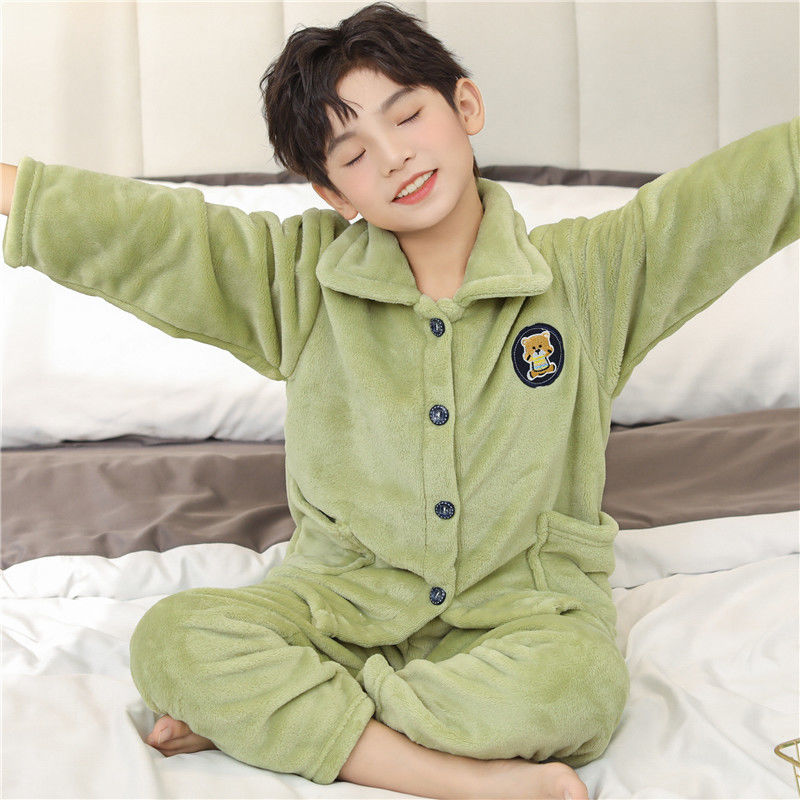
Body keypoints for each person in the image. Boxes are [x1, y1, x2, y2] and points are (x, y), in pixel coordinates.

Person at [2, 3, 798, 798]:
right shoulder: (300, 280)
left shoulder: (589, 276)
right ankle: (455, 776)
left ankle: (290, 718)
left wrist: (258, 702)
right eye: (353, 154)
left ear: (465, 105)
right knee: (173, 640)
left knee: (578, 689)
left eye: (408, 116)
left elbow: (732, 198)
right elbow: (152, 237)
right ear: (331, 191)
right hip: (337, 611)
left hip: (525, 614)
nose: (394, 157)